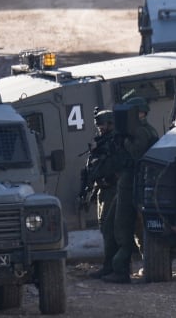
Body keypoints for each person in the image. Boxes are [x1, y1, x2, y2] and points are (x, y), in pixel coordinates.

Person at [101, 97, 159, 284]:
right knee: (111, 223)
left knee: (122, 227)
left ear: (140, 113)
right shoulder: (138, 130)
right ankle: (112, 266)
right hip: (128, 183)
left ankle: (121, 270)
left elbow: (136, 153)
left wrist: (125, 140)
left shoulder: (141, 132)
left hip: (134, 184)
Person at [80, 109, 125, 279]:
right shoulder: (102, 142)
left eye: (103, 125)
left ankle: (113, 267)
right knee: (105, 227)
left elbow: (112, 165)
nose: (100, 128)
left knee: (111, 229)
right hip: (103, 189)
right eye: (98, 125)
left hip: (113, 189)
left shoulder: (114, 141)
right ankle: (111, 265)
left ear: (111, 124)